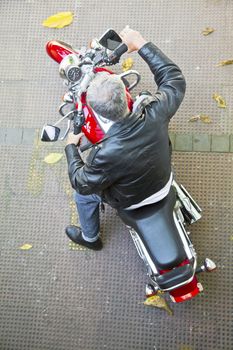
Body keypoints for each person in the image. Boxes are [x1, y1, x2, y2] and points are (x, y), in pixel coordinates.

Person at [64, 26, 186, 250]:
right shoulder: (156, 112)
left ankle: (90, 238)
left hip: (130, 201)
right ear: (125, 92)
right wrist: (141, 44)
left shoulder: (103, 155)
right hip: (164, 181)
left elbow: (81, 182)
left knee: (83, 197)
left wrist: (71, 147)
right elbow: (173, 79)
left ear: (96, 111)